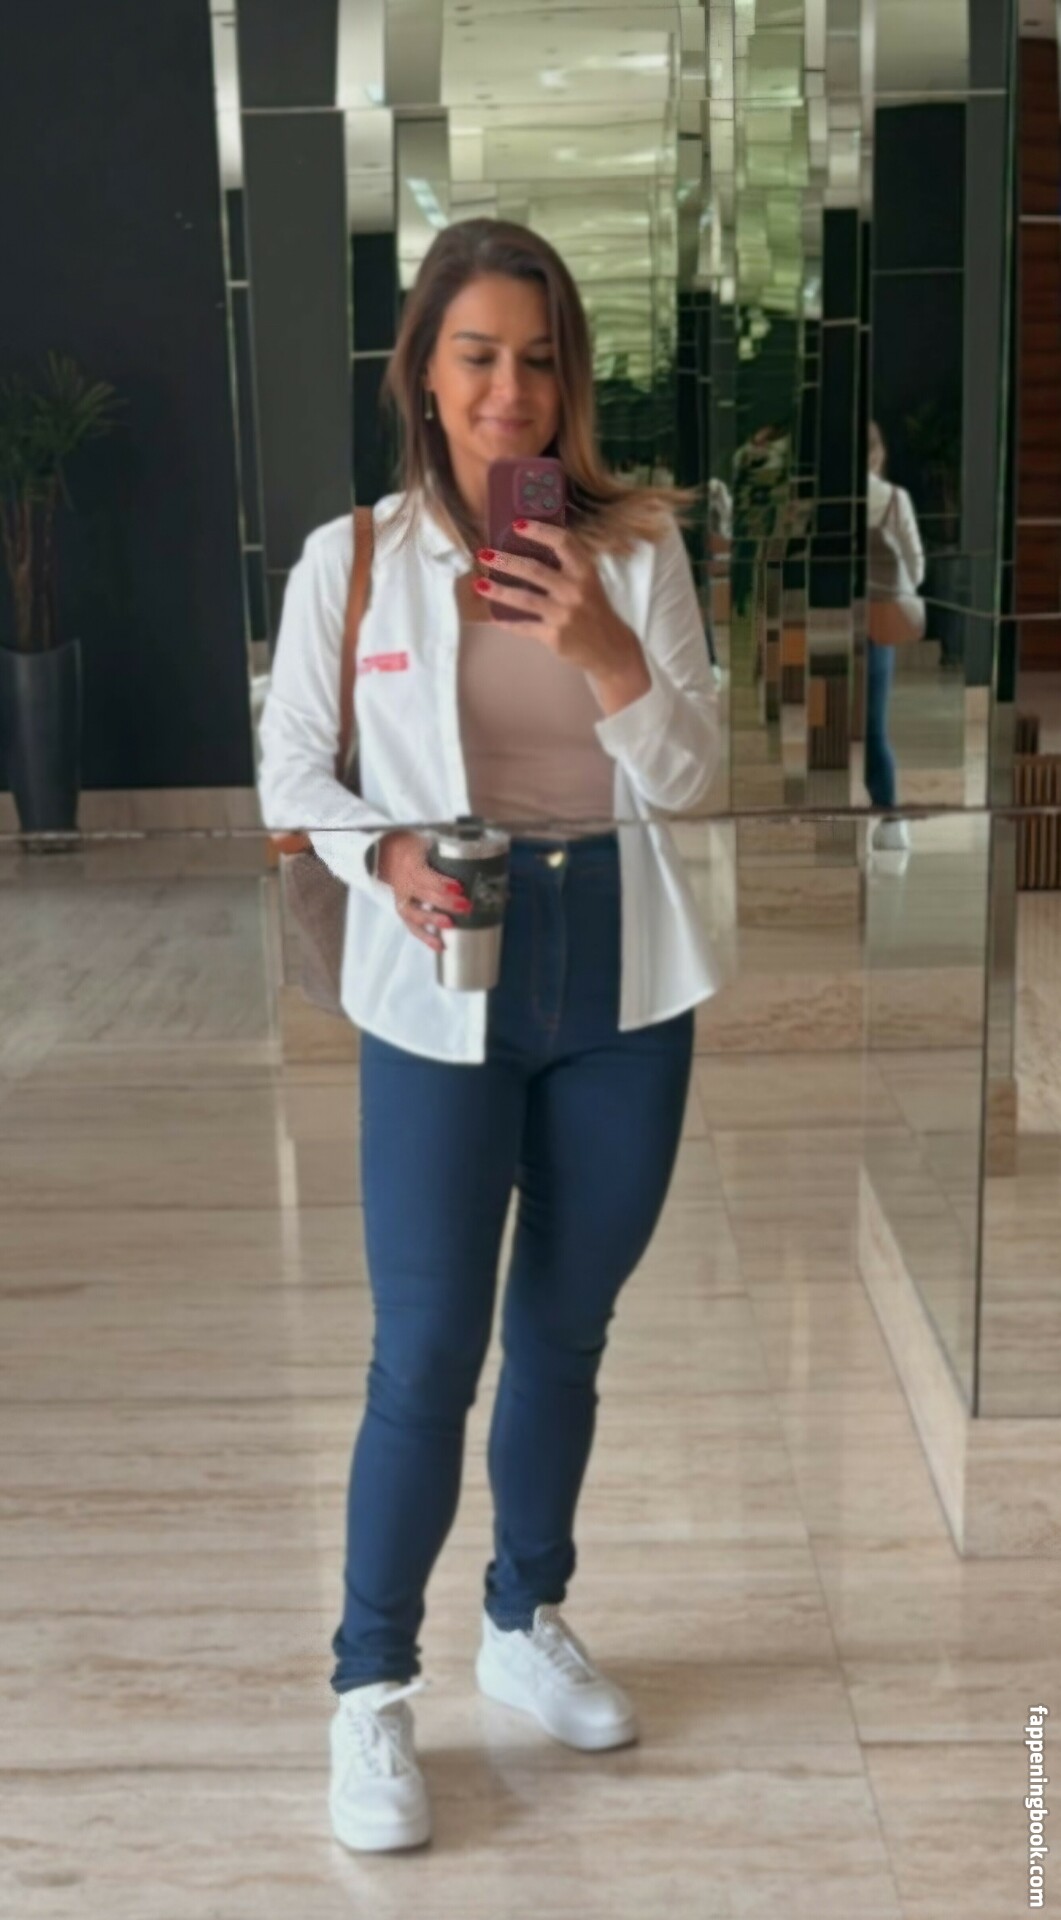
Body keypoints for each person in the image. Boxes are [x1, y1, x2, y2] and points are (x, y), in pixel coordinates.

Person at [257, 217, 721, 1856]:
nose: (508, 390)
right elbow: (290, 769)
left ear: (568, 378)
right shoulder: (353, 560)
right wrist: (379, 850)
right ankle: (370, 1690)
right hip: (443, 963)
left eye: (536, 358)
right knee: (427, 1350)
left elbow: (691, 782)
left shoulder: (638, 557)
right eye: (476, 356)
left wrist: (604, 653)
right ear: (423, 374)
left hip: (621, 979)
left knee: (567, 1329)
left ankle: (524, 1621)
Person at [866, 419, 926, 853]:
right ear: (877, 453)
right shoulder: (893, 499)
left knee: (823, 728)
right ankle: (890, 821)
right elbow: (916, 567)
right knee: (874, 727)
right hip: (878, 620)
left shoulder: (820, 498)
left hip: (825, 620)